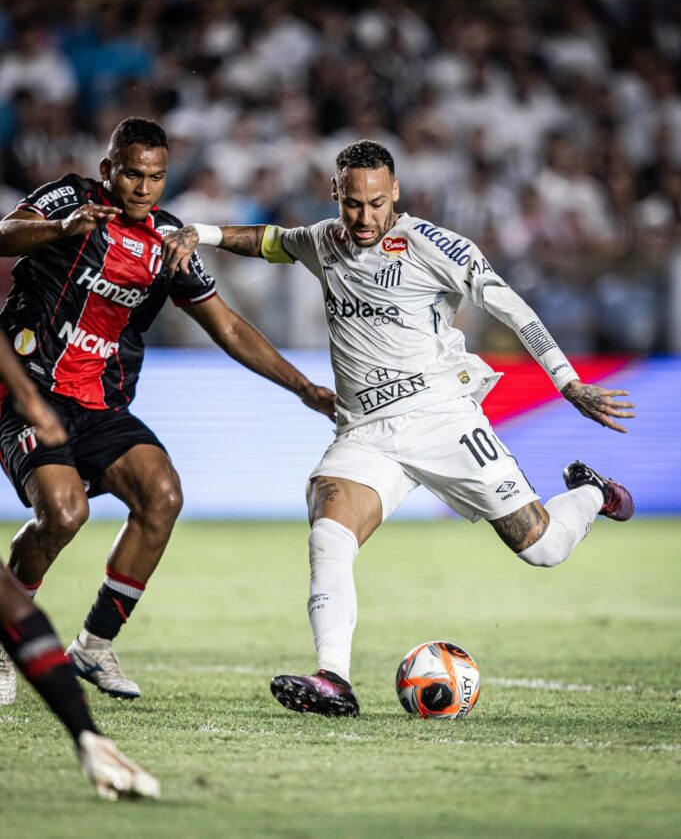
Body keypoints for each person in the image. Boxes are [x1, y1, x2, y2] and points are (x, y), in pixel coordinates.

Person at [161, 139, 635, 718]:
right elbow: (267, 243)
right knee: (328, 530)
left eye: (378, 203)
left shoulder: (432, 246)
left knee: (545, 548)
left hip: (442, 417)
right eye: (353, 204)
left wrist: (567, 383)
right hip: (364, 430)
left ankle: (592, 492)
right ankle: (332, 678)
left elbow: (513, 309)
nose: (365, 218)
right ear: (336, 193)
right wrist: (200, 233)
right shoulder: (324, 240)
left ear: (396, 193)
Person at [0, 116, 335, 703]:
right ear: (110, 170)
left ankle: (95, 644)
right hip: (29, 392)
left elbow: (228, 326)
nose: (143, 187)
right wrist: (59, 228)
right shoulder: (73, 200)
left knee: (163, 495)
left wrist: (303, 388)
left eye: (155, 177)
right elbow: (4, 233)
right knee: (65, 512)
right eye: (132, 174)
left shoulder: (170, 240)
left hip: (102, 405)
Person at [0, 330, 159, 799]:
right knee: (63, 514)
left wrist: (86, 736)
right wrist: (31, 402)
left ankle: (90, 662)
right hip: (39, 396)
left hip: (95, 408)